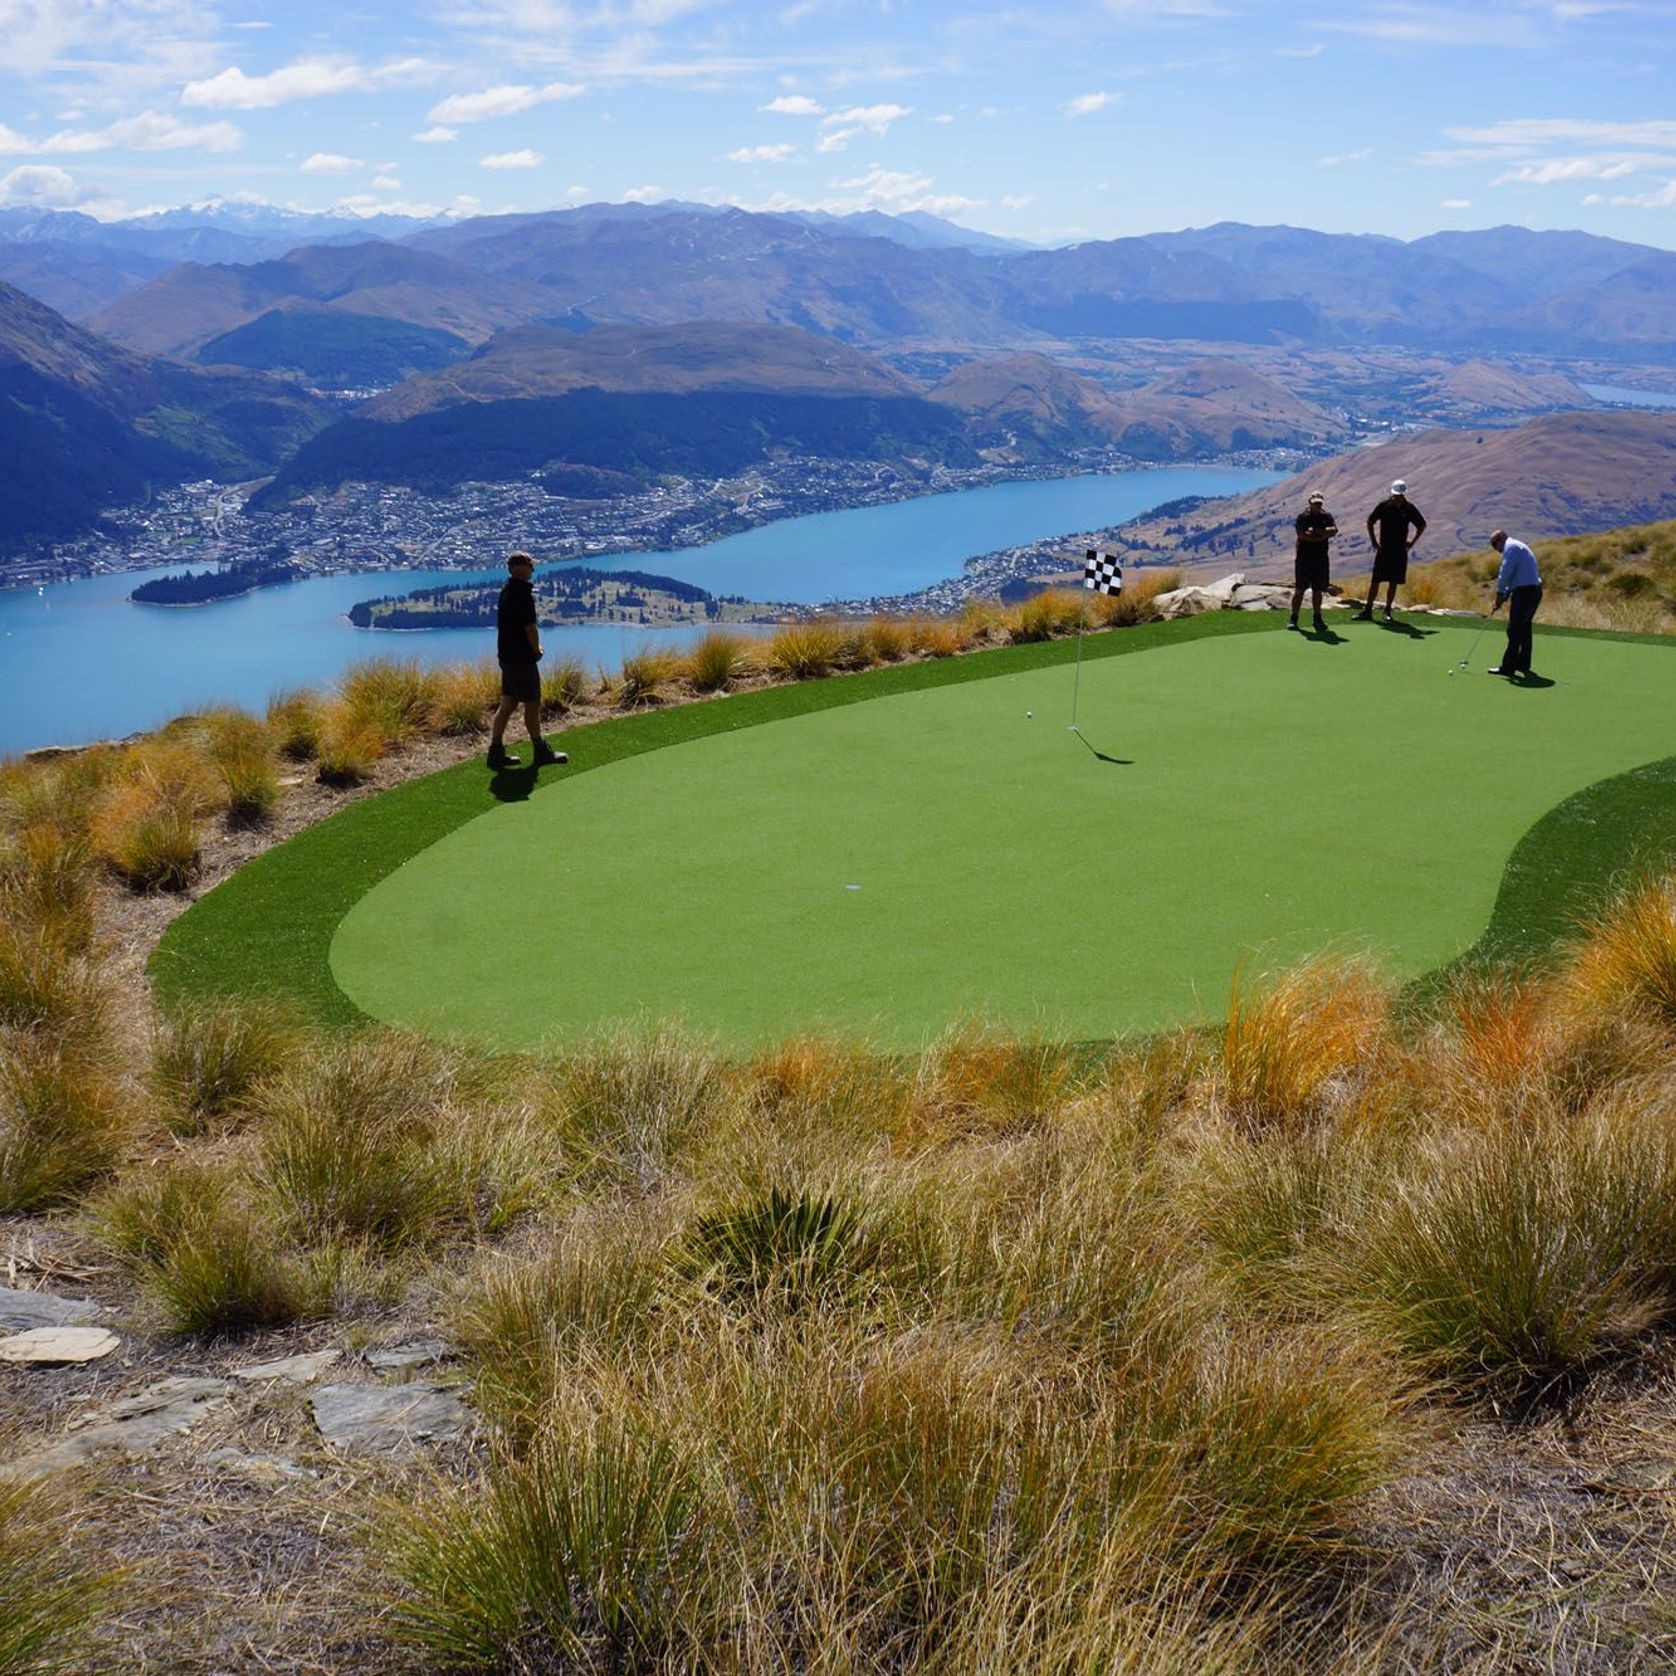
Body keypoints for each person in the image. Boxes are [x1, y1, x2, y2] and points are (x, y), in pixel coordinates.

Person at [488, 551, 566, 770]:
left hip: (507, 657)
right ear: (519, 568)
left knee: (508, 703)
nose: (533, 569)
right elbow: (530, 627)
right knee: (532, 703)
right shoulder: (522, 594)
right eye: (530, 565)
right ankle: (540, 750)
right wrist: (536, 649)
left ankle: (495, 751)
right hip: (521, 659)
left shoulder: (507, 590)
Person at [1356, 479, 1426, 621]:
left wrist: (1411, 543)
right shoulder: (1384, 506)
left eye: (1400, 495)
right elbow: (1370, 521)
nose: (1398, 497)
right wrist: (1373, 541)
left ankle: (1387, 611)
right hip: (1384, 549)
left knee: (1393, 581)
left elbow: (1422, 525)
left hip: (1399, 550)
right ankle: (1367, 610)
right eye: (1396, 495)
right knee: (1376, 580)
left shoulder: (1409, 508)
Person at [1487, 530, 1543, 678]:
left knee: (1514, 629)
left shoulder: (1511, 548)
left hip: (1525, 593)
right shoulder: (1518, 546)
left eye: (1494, 544)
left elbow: (1505, 573)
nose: (1495, 549)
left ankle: (1508, 667)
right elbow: (1518, 576)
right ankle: (1523, 663)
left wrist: (1499, 595)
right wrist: (1506, 594)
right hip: (1534, 591)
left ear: (1501, 539)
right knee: (1524, 628)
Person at [1289, 491, 1337, 633]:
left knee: (1318, 590)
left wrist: (1317, 532)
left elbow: (1334, 530)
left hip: (1321, 559)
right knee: (1300, 589)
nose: (1317, 505)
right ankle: (1294, 618)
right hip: (1304, 559)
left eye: (1319, 503)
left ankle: (1317, 618)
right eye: (1315, 503)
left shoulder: (1326, 516)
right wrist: (1322, 536)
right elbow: (1302, 535)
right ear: (1310, 502)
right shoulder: (1303, 517)